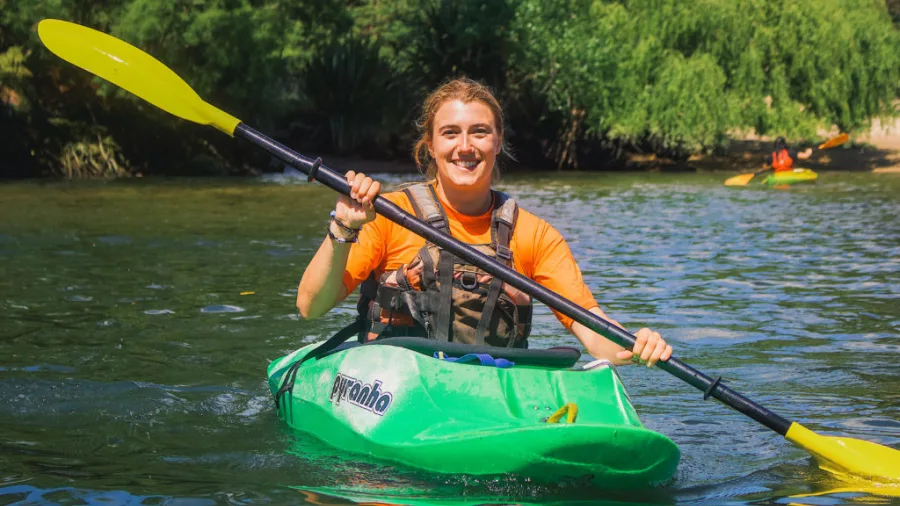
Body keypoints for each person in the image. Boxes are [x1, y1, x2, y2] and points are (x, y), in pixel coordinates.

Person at [296, 78, 673, 367]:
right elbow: (310, 306)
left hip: (490, 390)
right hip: (395, 384)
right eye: (450, 133)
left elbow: (591, 330)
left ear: (497, 141)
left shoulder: (536, 236)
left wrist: (634, 345)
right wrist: (344, 227)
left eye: (479, 132)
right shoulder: (388, 215)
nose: (465, 146)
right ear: (430, 145)